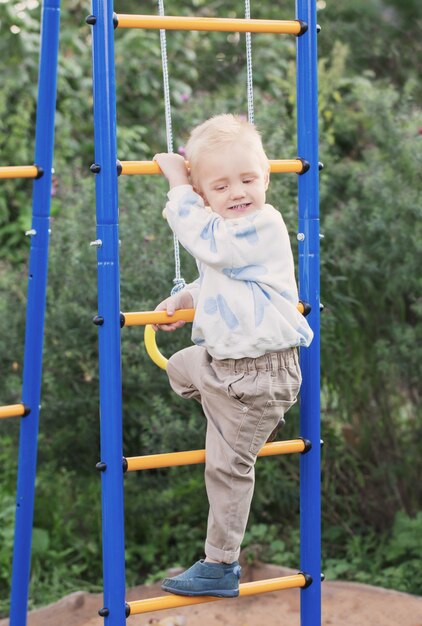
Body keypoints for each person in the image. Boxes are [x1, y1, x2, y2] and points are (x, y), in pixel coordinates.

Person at [152, 114, 313, 598]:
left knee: (226, 469)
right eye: (220, 186)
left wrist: (179, 187)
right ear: (207, 197)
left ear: (265, 177)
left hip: (262, 374)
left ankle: (221, 564)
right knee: (181, 366)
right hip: (225, 369)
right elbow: (225, 279)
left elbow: (211, 243)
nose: (238, 192)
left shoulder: (261, 224)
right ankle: (229, 419)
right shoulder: (228, 235)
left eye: (247, 179)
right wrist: (187, 298)